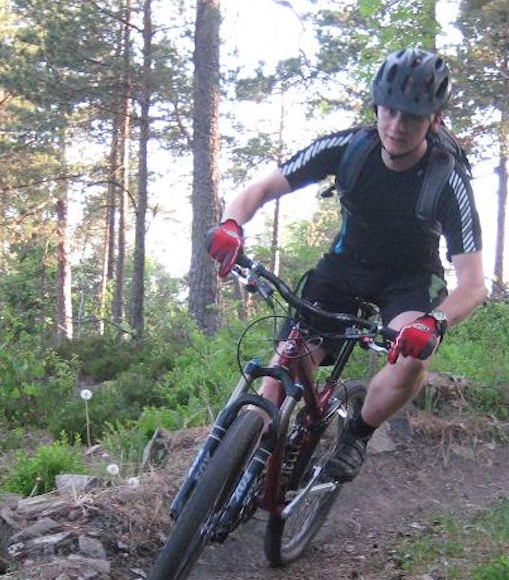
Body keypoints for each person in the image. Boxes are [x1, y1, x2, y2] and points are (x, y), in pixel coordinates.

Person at [205, 47, 488, 482]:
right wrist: (231, 225)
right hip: (342, 269)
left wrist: (432, 325)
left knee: (411, 359)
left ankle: (358, 431)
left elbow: (472, 284)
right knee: (283, 370)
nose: (397, 126)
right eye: (390, 111)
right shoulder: (350, 147)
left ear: (434, 120)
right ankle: (230, 477)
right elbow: (261, 188)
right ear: (377, 106)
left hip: (409, 281)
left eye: (412, 117)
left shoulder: (447, 179)